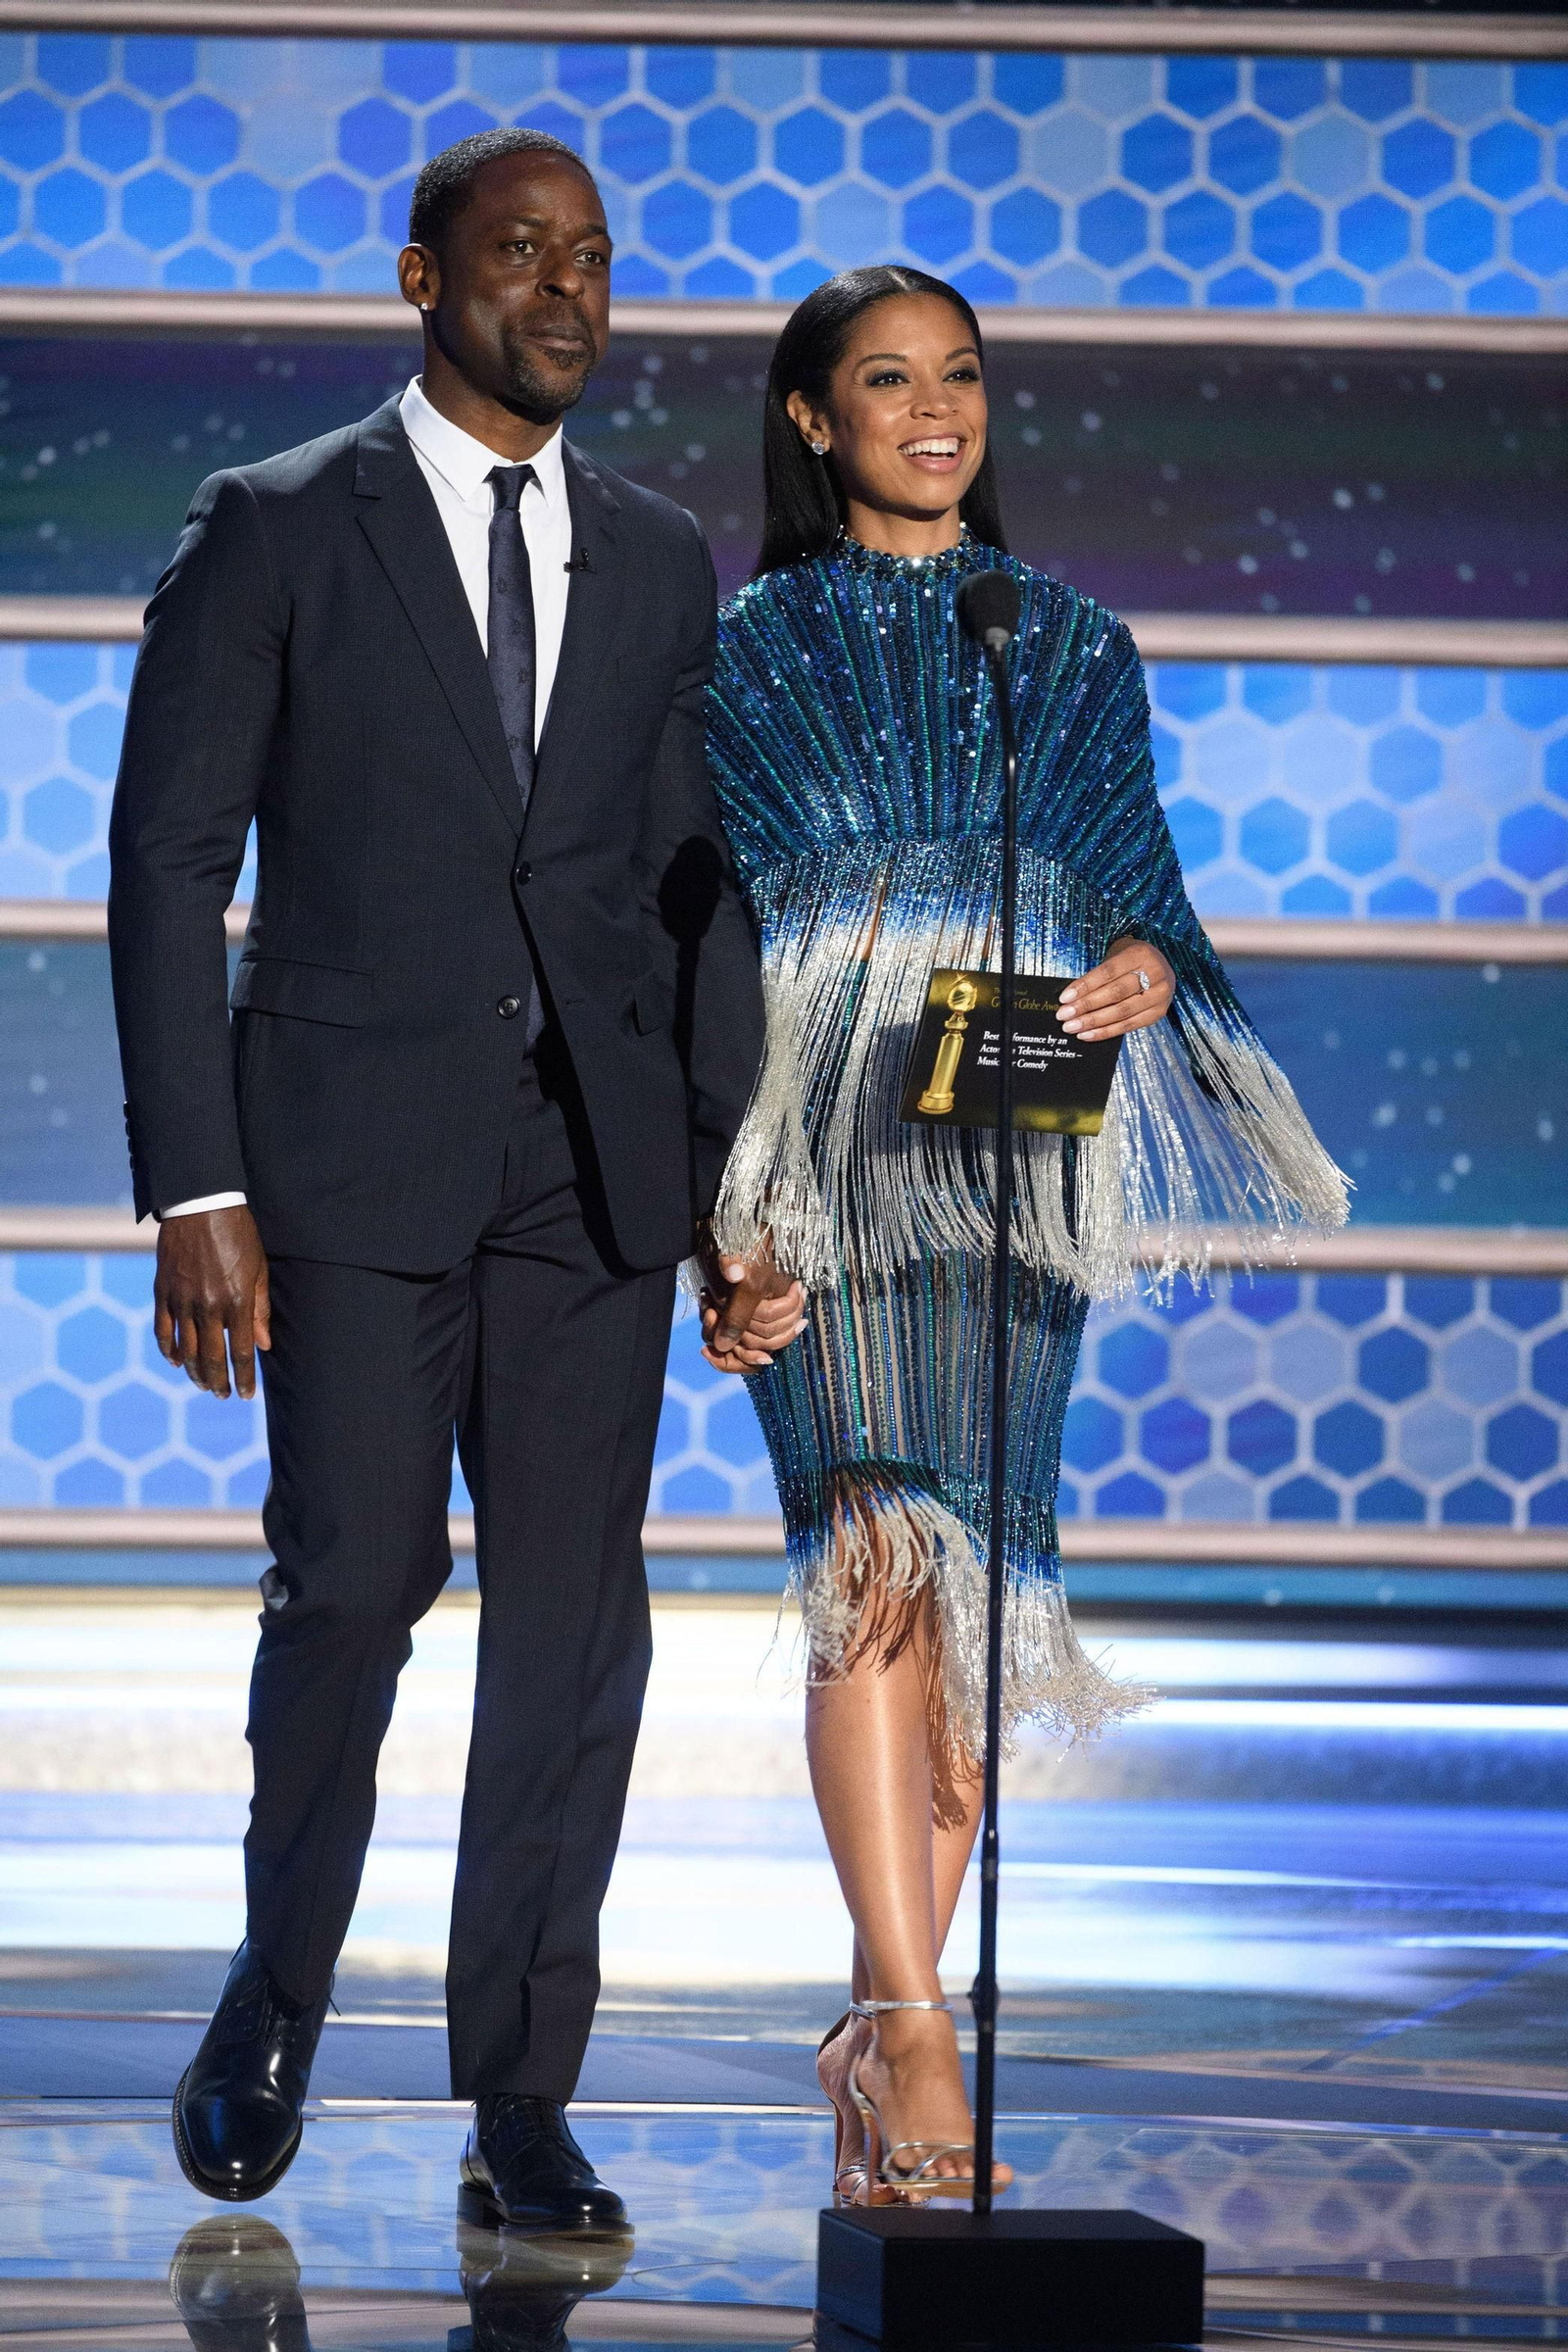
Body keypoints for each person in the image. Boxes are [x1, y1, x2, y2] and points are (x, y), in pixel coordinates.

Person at [108, 126, 799, 2225]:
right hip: (340, 1161)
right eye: (520, 253)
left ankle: (518, 2091)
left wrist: (725, 1181)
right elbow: (164, 865)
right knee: (353, 1586)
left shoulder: (665, 553)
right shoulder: (278, 529)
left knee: (581, 1635)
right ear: (422, 280)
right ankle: (279, 1995)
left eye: (591, 258)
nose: (566, 292)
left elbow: (694, 896)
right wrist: (190, 1189)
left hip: (586, 1176)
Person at [699, 266, 1348, 2203]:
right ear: (808, 420)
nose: (931, 408)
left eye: (957, 376)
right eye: (885, 381)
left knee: (966, 1629)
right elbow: (686, 953)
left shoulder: (1064, 645)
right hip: (823, 1164)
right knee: (873, 1557)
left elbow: (1146, 902)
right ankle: (912, 2031)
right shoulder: (743, 651)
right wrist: (708, 1232)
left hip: (1002, 1137)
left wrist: (1146, 966)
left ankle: (879, 2015)